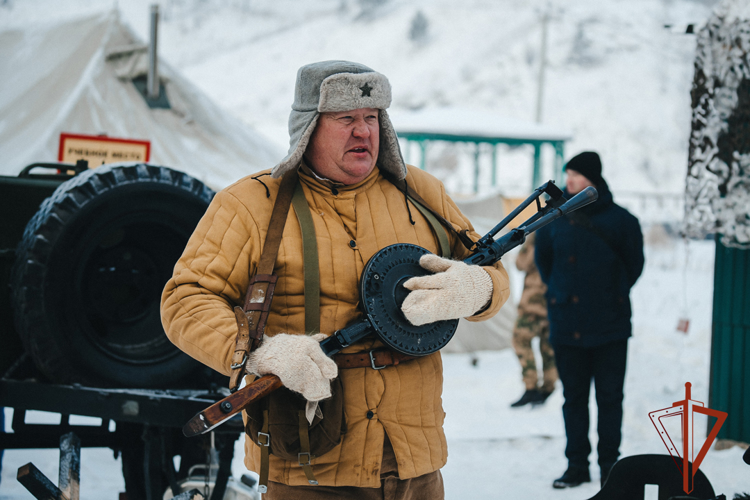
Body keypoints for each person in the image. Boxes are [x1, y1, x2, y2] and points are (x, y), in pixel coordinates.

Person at [161, 60, 510, 499]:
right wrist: (261, 351)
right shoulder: (251, 204)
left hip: (415, 464)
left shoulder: (422, 194)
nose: (363, 132)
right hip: (310, 464)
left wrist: (477, 289)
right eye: (346, 120)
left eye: (371, 118)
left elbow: (491, 268)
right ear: (308, 128)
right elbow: (184, 299)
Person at [535, 151, 644, 489]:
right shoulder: (554, 218)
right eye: (567, 174)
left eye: (576, 175)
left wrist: (608, 294)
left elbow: (634, 266)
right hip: (567, 323)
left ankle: (610, 466)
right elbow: (544, 264)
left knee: (610, 398)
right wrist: (564, 293)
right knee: (574, 399)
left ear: (592, 179)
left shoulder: (622, 220)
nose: (569, 180)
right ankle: (576, 466)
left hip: (609, 325)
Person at [509, 233, 557, 407]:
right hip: (554, 303)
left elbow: (521, 263)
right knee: (548, 348)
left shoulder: (541, 234)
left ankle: (533, 388)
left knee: (521, 341)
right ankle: (546, 387)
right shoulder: (565, 230)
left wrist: (534, 239)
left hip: (534, 305)